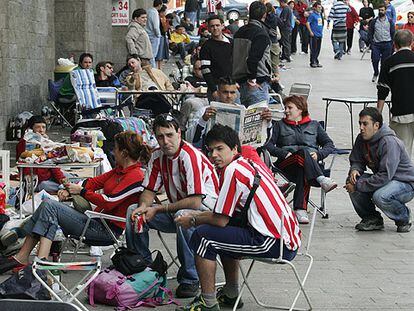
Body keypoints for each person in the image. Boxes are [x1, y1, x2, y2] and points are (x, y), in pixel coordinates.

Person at [175, 124, 301, 311]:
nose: (214, 155)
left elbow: (220, 219)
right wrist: (199, 215)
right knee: (220, 233)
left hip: (273, 242)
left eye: (220, 149)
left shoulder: (233, 171)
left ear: (234, 148)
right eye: (210, 150)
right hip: (285, 238)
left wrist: (193, 218)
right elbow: (225, 218)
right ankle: (231, 294)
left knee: (202, 237)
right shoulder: (246, 163)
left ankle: (207, 303)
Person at [0, 131, 151, 274]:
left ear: (124, 153)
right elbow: (92, 182)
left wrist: (81, 192)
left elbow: (109, 202)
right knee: (48, 208)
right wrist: (71, 189)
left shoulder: (136, 176)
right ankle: (34, 261)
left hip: (106, 230)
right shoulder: (118, 170)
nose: (113, 152)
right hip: (95, 220)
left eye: (116, 149)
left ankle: (29, 251)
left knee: (50, 207)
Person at [126, 114, 219, 299]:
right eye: (160, 136)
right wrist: (144, 207)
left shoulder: (189, 156)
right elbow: (149, 191)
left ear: (179, 133)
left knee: (183, 215)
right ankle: (142, 267)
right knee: (133, 211)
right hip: (177, 210)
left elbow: (195, 201)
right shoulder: (157, 156)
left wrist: (158, 209)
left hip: (208, 214)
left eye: (169, 135)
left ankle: (190, 278)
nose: (165, 141)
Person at [265, 95, 337, 224]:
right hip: (287, 164)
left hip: (308, 167)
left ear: (300, 109)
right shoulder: (279, 125)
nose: (286, 110)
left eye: (289, 108)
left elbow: (329, 144)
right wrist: (283, 153)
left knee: (302, 169)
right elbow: (268, 145)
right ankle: (321, 179)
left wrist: (319, 154)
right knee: (303, 153)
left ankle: (300, 210)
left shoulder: (314, 125)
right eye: (285, 107)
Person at [345, 107, 414, 233]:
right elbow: (356, 160)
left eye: (365, 124)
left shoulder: (389, 142)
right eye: (360, 123)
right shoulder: (361, 138)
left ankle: (403, 217)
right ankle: (372, 219)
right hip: (386, 180)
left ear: (376, 125)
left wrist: (359, 185)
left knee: (380, 196)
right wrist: (355, 170)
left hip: (404, 184)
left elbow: (385, 175)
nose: (361, 127)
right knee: (352, 180)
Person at [377, 30, 414, 157]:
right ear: (412, 43)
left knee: (403, 153)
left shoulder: (388, 62)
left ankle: (405, 177)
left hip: (402, 114)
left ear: (395, 45)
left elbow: (382, 91)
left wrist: (378, 114)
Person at [233, 1, 272, 108]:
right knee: (258, 121)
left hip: (239, 82)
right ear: (264, 15)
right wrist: (252, 81)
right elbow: (252, 59)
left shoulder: (239, 32)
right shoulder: (260, 34)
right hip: (256, 82)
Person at [16, 116, 70, 194]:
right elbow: (25, 168)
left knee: (69, 177)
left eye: (43, 127)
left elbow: (53, 165)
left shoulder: (46, 142)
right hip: (37, 181)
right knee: (45, 185)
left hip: (49, 175)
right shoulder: (24, 144)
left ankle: (71, 186)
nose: (41, 130)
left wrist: (47, 143)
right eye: (38, 127)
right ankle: (68, 189)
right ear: (31, 129)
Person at [200, 15, 233, 99]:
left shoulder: (232, 43)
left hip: (233, 87)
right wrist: (213, 90)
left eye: (217, 25)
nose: (215, 28)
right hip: (216, 88)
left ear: (222, 26)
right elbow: (205, 70)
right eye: (212, 26)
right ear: (208, 28)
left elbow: (238, 64)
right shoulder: (206, 47)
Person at [368, 3, 395, 83]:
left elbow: (393, 33)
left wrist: (392, 44)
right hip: (376, 44)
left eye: (382, 10)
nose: (381, 11)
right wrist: (371, 43)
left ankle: (383, 77)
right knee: (375, 59)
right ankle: (376, 73)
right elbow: (370, 32)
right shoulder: (374, 21)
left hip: (387, 44)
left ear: (385, 11)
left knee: (385, 62)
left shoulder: (390, 21)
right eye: (379, 10)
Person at [265, 3, 282, 74]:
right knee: (275, 64)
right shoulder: (275, 17)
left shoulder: (264, 18)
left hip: (266, 42)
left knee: (266, 64)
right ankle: (276, 81)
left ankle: (268, 81)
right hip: (274, 41)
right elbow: (281, 24)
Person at [306, 1, 324, 68]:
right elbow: (307, 23)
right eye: (318, 7)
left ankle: (316, 61)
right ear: (315, 8)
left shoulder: (320, 14)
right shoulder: (312, 15)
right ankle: (312, 62)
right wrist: (310, 32)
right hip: (314, 34)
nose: (320, 8)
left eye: (320, 7)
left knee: (318, 49)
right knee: (313, 49)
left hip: (319, 34)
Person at [146, 0, 163, 67]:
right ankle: (153, 70)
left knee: (149, 54)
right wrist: (158, 35)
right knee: (152, 55)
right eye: (161, 5)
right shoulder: (154, 12)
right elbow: (156, 26)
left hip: (148, 34)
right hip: (153, 35)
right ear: (159, 5)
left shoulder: (148, 11)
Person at [155, 5, 170, 70]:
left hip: (162, 36)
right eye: (165, 12)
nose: (165, 13)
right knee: (159, 54)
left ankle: (160, 67)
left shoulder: (162, 18)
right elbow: (164, 29)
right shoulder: (159, 19)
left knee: (161, 53)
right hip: (160, 36)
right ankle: (158, 68)